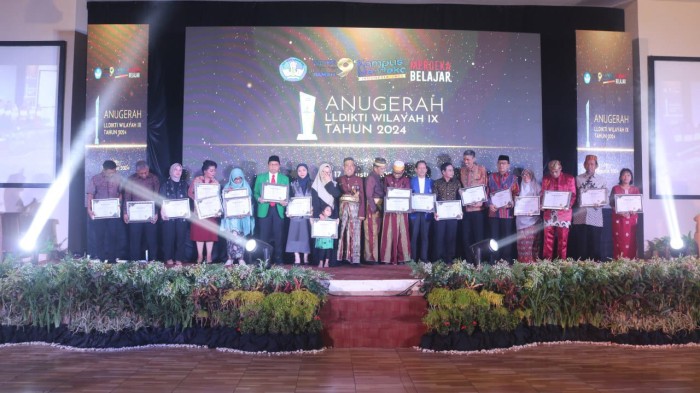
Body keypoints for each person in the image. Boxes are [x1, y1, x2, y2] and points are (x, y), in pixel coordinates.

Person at [253, 155, 289, 265]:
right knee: (264, 236)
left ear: (279, 166)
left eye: (276, 164)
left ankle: (279, 260)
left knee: (279, 236)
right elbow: (255, 192)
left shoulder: (285, 178)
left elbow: (287, 195)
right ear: (268, 165)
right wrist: (259, 198)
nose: (273, 167)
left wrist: (285, 201)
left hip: (278, 210)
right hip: (265, 210)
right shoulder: (260, 177)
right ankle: (264, 260)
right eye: (271, 164)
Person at [122, 160, 160, 262]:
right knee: (134, 239)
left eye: (146, 172)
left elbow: (157, 197)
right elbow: (127, 196)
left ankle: (153, 262)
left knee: (152, 239)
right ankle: (134, 262)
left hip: (150, 214)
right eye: (141, 173)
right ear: (136, 171)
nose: (144, 175)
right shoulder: (131, 179)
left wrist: (156, 213)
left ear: (148, 170)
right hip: (135, 214)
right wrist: (125, 212)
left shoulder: (154, 178)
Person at [572, 155, 608, 261]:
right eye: (587, 163)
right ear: (584, 165)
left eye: (592, 164)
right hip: (580, 217)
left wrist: (600, 202)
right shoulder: (577, 179)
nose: (589, 166)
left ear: (596, 166)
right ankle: (581, 271)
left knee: (595, 247)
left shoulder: (602, 180)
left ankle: (595, 271)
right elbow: (574, 196)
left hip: (595, 217)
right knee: (581, 248)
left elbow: (605, 197)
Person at [86, 160, 122, 263]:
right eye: (110, 172)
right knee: (99, 236)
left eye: (114, 172)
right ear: (104, 170)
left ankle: (112, 260)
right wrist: (89, 209)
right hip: (99, 213)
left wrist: (119, 201)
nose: (112, 174)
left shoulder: (118, 178)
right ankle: (101, 259)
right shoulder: (95, 179)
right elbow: (90, 195)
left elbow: (121, 192)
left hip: (113, 212)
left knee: (113, 236)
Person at [541, 160, 577, 260]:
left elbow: (573, 195)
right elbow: (542, 194)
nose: (554, 173)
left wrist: (567, 205)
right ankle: (546, 263)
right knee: (547, 239)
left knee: (563, 240)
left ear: (561, 169)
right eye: (552, 171)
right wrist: (542, 204)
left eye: (556, 171)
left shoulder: (569, 179)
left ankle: (561, 263)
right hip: (549, 213)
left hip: (564, 213)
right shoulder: (546, 179)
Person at [487, 155, 519, 262]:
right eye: (500, 163)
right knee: (494, 238)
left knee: (507, 238)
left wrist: (511, 203)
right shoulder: (491, 177)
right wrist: (489, 204)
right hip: (493, 213)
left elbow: (516, 195)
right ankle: (494, 261)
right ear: (497, 164)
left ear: (508, 165)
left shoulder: (513, 178)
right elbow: (486, 194)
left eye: (504, 163)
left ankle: (506, 261)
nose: (501, 165)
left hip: (507, 213)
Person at [220, 168, 255, 266]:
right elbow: (224, 203)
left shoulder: (246, 186)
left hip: (242, 218)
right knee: (231, 238)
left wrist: (244, 212)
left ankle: (241, 258)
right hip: (231, 218)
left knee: (241, 237)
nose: (238, 181)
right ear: (232, 178)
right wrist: (227, 192)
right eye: (236, 179)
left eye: (240, 178)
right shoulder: (227, 187)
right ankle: (230, 258)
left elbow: (250, 202)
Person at [188, 159, 220, 263]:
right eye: (211, 170)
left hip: (211, 212)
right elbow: (190, 193)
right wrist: (197, 200)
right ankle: (200, 256)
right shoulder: (197, 180)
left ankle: (209, 256)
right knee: (199, 235)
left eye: (214, 171)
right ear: (205, 171)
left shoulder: (216, 183)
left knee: (210, 235)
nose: (213, 173)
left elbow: (217, 198)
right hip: (199, 212)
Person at [459, 149, 488, 263]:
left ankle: (479, 262)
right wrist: (460, 191)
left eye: (468, 159)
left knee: (478, 237)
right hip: (467, 210)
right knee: (466, 237)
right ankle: (469, 262)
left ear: (474, 159)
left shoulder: (481, 169)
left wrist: (482, 201)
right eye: (464, 159)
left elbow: (485, 187)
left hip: (478, 210)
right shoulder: (462, 171)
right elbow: (462, 187)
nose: (466, 161)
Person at [380, 160, 411, 265]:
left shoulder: (406, 180)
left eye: (399, 173)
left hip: (402, 211)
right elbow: (384, 192)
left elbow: (407, 194)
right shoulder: (387, 178)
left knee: (403, 233)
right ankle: (387, 258)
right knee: (388, 233)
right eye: (395, 172)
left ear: (403, 171)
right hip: (390, 211)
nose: (397, 175)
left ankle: (403, 258)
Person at [311, 163, 341, 266]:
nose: (326, 174)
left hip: (331, 217)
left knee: (330, 242)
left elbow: (336, 195)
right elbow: (315, 202)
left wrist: (328, 183)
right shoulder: (315, 185)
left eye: (329, 172)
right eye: (324, 172)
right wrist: (320, 214)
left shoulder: (334, 184)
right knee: (320, 241)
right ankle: (319, 261)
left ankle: (329, 262)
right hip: (321, 217)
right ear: (320, 172)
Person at [337, 157, 365, 266]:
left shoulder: (359, 180)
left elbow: (362, 197)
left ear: (354, 167)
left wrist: (362, 214)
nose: (349, 167)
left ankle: (355, 259)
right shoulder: (339, 180)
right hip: (342, 210)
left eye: (351, 165)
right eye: (346, 165)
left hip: (355, 211)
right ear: (343, 167)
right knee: (341, 232)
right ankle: (340, 258)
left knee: (355, 233)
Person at [160, 163, 189, 265]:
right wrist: (162, 211)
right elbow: (161, 199)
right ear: (171, 171)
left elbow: (188, 200)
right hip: (169, 215)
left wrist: (188, 211)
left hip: (182, 216)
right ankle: (168, 257)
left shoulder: (185, 184)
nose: (178, 172)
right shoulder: (165, 184)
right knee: (169, 237)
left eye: (180, 170)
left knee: (181, 237)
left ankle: (179, 258)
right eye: (175, 170)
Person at [609, 168, 641, 259]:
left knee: (631, 240)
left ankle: (631, 262)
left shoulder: (635, 189)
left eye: (628, 175)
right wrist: (620, 212)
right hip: (619, 219)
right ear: (620, 177)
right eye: (624, 175)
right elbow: (611, 203)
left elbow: (637, 205)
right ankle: (619, 263)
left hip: (631, 219)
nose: (626, 177)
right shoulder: (615, 188)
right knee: (619, 240)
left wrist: (635, 210)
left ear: (631, 178)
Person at [433, 162, 461, 263]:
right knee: (439, 236)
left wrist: (460, 212)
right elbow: (434, 199)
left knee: (451, 237)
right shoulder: (437, 183)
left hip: (453, 215)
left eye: (452, 170)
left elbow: (460, 198)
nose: (452, 172)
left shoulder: (457, 183)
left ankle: (450, 259)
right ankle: (438, 260)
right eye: (449, 170)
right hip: (440, 215)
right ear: (443, 172)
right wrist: (434, 212)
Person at [286, 163, 312, 264]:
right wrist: (289, 210)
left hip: (308, 214)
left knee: (306, 235)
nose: (302, 172)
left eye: (304, 170)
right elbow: (289, 199)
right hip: (295, 214)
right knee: (295, 235)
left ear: (307, 171)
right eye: (299, 170)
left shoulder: (313, 183)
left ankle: (306, 256)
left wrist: (313, 209)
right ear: (297, 172)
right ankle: (296, 256)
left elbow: (315, 199)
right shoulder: (293, 184)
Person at [409, 160, 433, 263]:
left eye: (424, 168)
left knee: (425, 236)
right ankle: (413, 258)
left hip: (426, 213)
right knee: (414, 236)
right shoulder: (411, 181)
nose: (422, 170)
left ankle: (424, 258)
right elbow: (408, 196)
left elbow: (434, 197)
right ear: (416, 170)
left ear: (426, 169)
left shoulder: (431, 182)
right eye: (420, 168)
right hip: (414, 213)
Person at [516, 168, 542, 263]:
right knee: (523, 244)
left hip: (533, 220)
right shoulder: (518, 186)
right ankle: (523, 264)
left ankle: (533, 265)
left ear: (532, 176)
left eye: (528, 174)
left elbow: (542, 200)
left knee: (533, 244)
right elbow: (513, 199)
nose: (525, 177)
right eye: (523, 175)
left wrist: (537, 208)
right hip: (521, 220)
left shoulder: (536, 186)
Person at [364, 157, 387, 264]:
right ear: (375, 168)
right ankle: (370, 258)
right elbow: (368, 195)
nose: (383, 170)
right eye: (381, 168)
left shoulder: (378, 177)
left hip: (378, 207)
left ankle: (374, 257)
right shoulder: (371, 178)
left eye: (384, 168)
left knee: (375, 232)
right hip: (372, 208)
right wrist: (374, 209)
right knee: (371, 232)